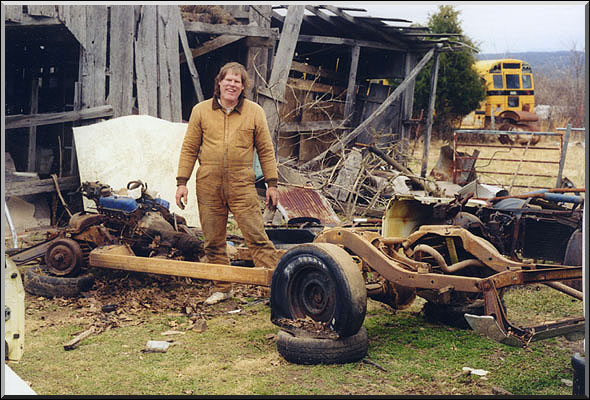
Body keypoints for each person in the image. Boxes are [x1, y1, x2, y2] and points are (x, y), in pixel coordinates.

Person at [175, 61, 281, 305]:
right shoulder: (201, 111)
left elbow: (265, 149)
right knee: (213, 239)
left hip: (242, 183)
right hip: (208, 183)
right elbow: (189, 148)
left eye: (238, 81)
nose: (232, 84)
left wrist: (272, 184)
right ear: (219, 83)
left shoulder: (255, 112)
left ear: (243, 87)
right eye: (228, 80)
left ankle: (275, 288)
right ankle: (223, 287)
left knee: (256, 237)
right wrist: (182, 182)